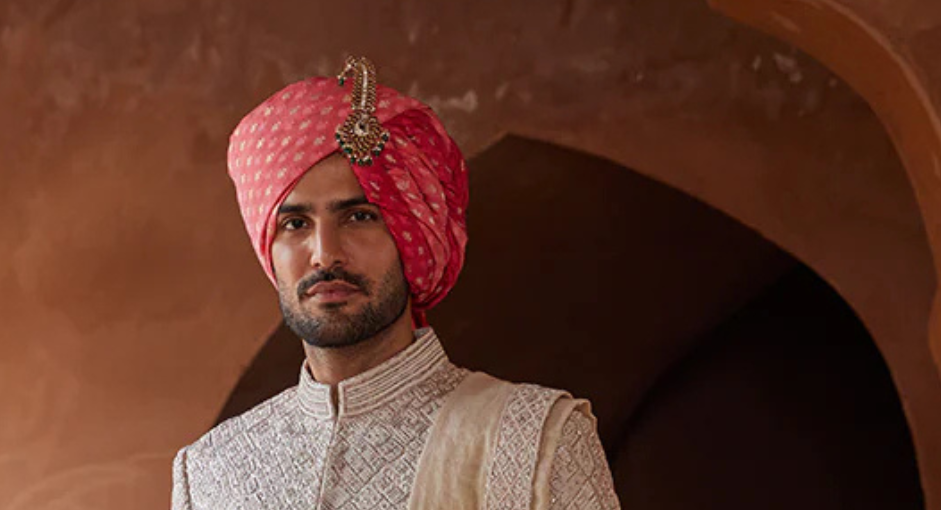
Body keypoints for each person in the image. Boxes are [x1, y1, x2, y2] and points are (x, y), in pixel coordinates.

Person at [172, 56, 620, 510]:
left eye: (359, 216)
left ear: (411, 235)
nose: (325, 253)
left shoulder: (534, 439)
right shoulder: (211, 471)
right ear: (268, 248)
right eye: (294, 224)